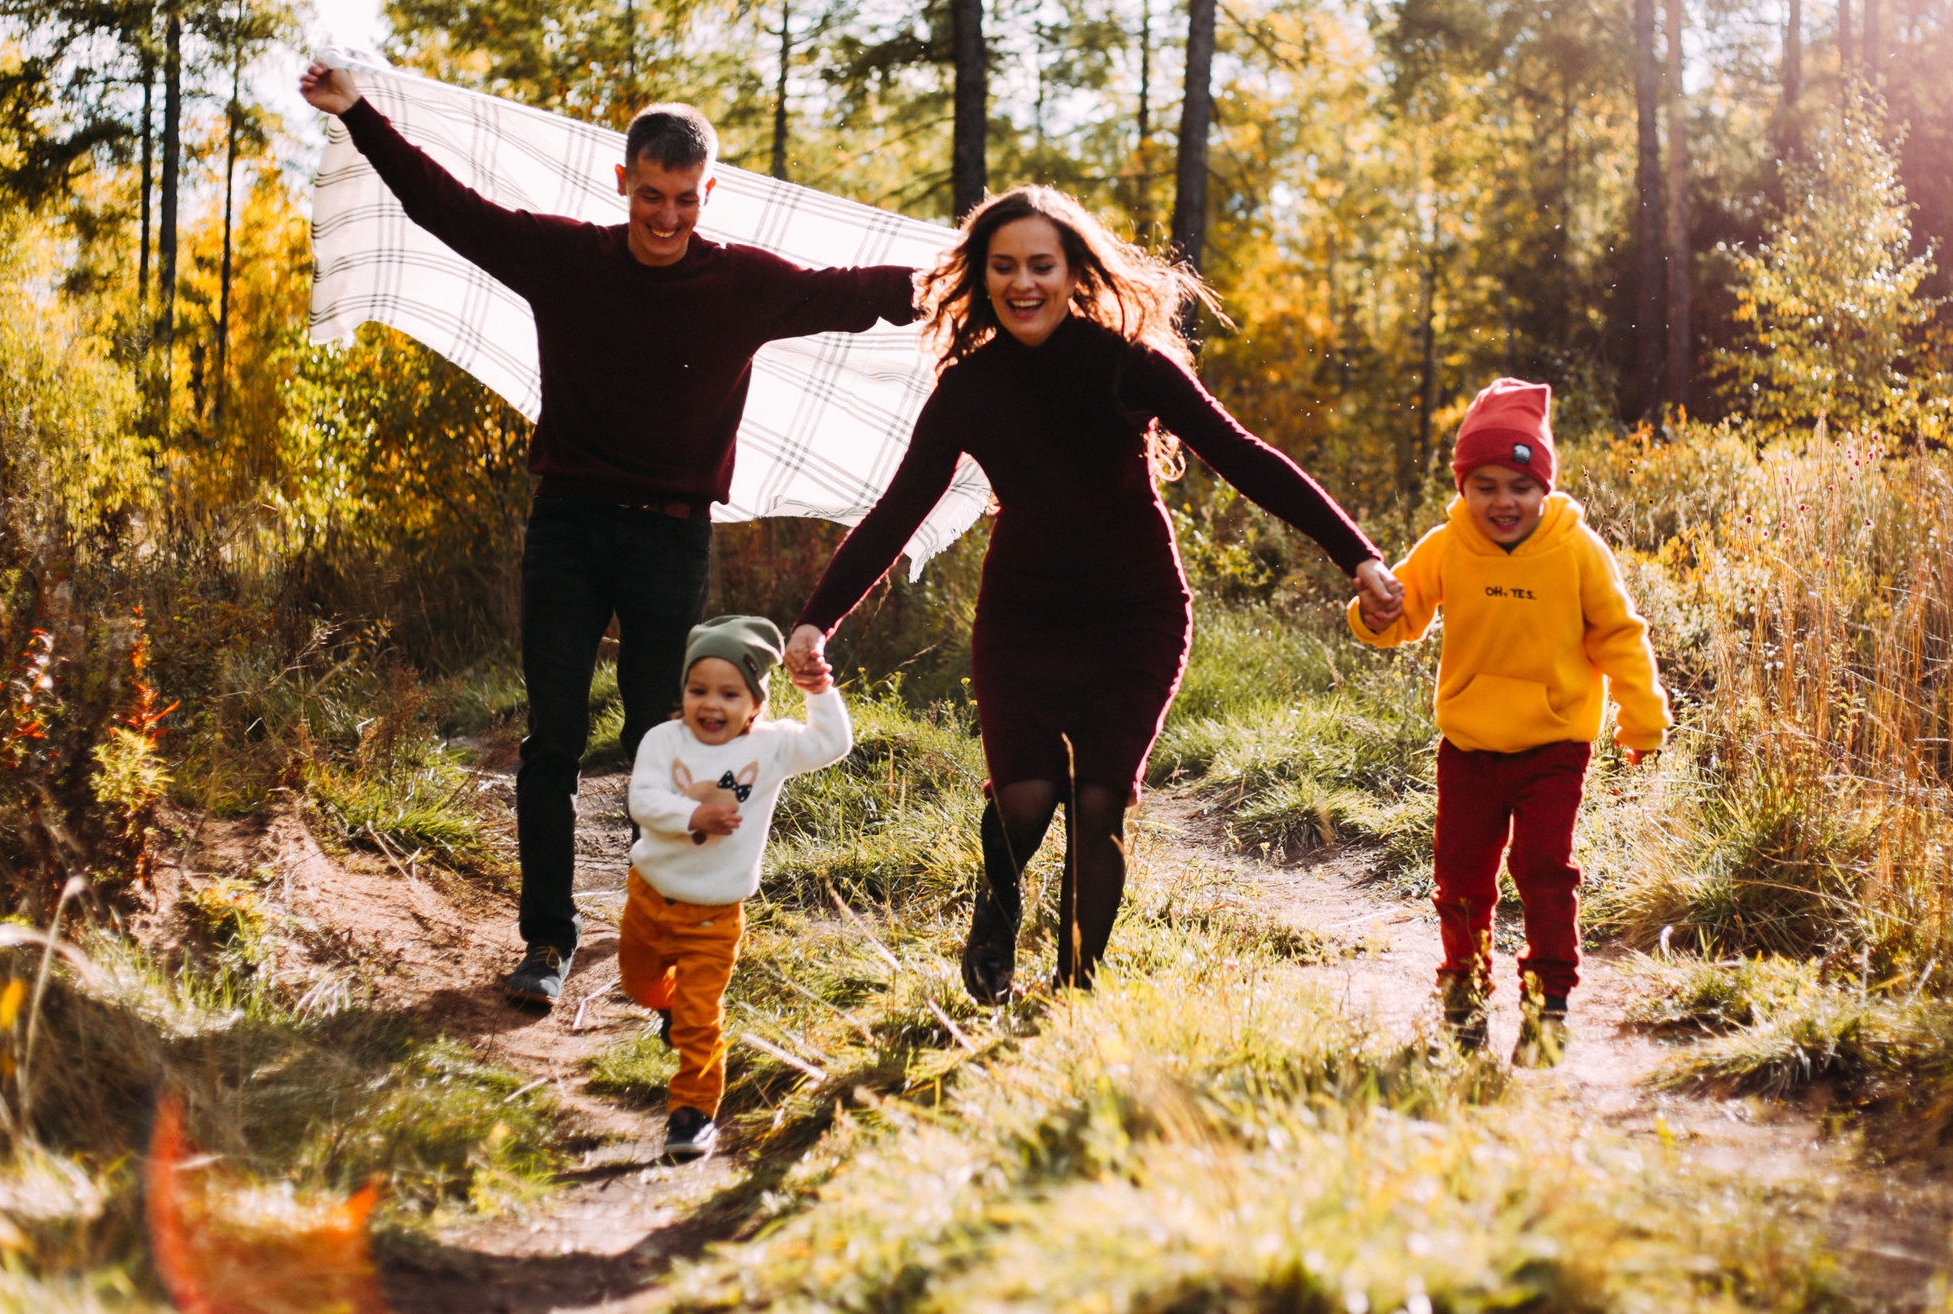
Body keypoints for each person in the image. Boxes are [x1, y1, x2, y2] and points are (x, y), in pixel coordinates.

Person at [298, 62, 920, 1007]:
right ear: (622, 180)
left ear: (708, 192)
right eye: (651, 195)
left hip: (671, 540)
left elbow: (861, 290)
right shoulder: (566, 259)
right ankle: (547, 939)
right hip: (569, 527)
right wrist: (358, 114)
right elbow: (450, 210)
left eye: (685, 199)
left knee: (660, 736)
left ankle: (650, 920)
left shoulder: (741, 284)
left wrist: (990, 277)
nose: (667, 217)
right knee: (552, 736)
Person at [784, 186, 1403, 997]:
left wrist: (1357, 556)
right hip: (1022, 618)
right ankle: (998, 908)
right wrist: (816, 622)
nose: (1023, 282)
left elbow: (1243, 456)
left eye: (1041, 264)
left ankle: (1075, 990)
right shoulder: (968, 387)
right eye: (1004, 266)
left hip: (1136, 612)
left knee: (1098, 800)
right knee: (1026, 798)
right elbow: (898, 511)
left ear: (1074, 271)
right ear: (982, 277)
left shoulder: (1126, 364)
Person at [1348, 377, 1669, 1063]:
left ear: (1544, 487)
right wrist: (1372, 614)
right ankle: (1464, 995)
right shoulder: (1447, 544)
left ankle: (1548, 1003)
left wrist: (1642, 717)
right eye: (1485, 485)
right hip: (1469, 746)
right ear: (1463, 486)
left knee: (1544, 869)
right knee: (1460, 876)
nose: (1503, 501)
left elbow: (1620, 636)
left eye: (1521, 486)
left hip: (1555, 745)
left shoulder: (1577, 549)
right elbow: (1400, 616)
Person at [620, 616, 848, 1161]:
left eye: (729, 693)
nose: (711, 705)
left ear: (755, 703)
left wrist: (818, 690)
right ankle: (669, 1008)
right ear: (682, 693)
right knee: (641, 987)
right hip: (648, 897)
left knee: (702, 1017)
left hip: (714, 916)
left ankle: (692, 1113)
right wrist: (692, 814)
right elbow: (643, 801)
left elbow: (832, 743)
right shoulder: (663, 740)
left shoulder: (772, 746)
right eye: (697, 690)